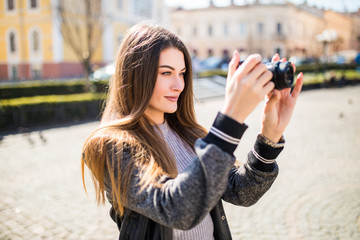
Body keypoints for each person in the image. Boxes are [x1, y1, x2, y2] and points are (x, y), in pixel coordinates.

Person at [81, 23, 303, 240]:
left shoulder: (189, 134)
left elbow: (240, 191)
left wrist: (269, 137)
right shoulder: (110, 146)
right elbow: (176, 209)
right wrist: (230, 120)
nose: (179, 85)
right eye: (166, 73)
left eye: (182, 73)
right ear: (136, 75)